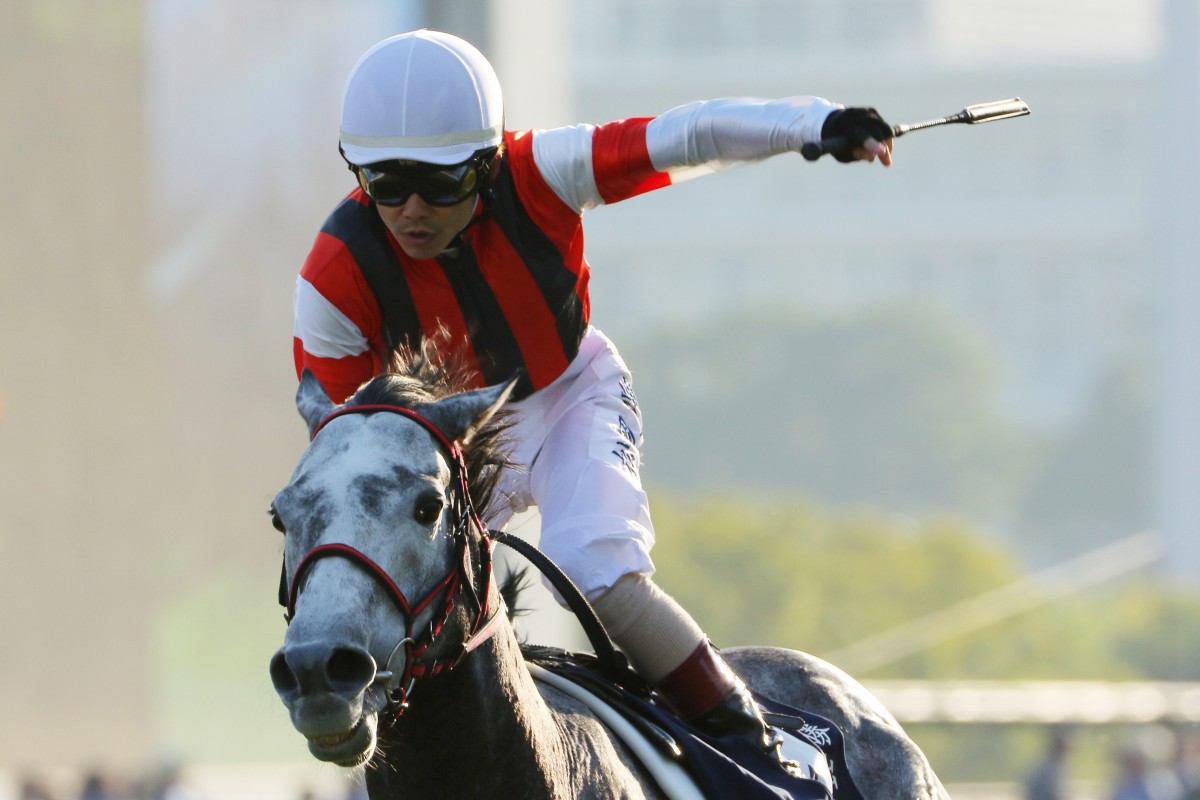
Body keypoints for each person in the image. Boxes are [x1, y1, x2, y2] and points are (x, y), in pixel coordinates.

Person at [291, 28, 893, 755]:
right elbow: (352, 461)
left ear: (487, 163)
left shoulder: (543, 172)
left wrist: (812, 124)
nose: (412, 210)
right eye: (386, 184)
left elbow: (688, 137)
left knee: (595, 571)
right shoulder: (330, 278)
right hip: (450, 440)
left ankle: (748, 749)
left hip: (570, 394)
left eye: (441, 183)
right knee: (395, 597)